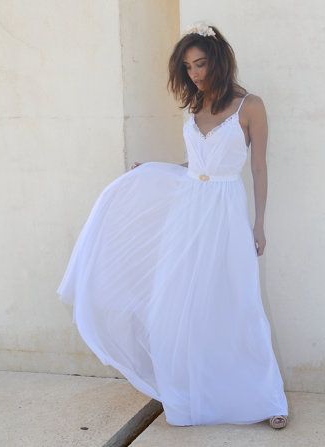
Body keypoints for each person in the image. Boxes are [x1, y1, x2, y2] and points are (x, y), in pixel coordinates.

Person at [56, 21, 289, 429]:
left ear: (218, 60)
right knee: (178, 303)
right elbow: (194, 167)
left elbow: (258, 167)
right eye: (188, 68)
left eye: (200, 64)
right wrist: (152, 171)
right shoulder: (195, 107)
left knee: (239, 302)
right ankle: (190, 392)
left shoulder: (251, 106)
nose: (195, 74)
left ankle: (266, 397)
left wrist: (259, 224)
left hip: (225, 212)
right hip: (188, 213)